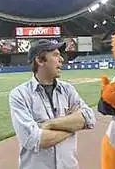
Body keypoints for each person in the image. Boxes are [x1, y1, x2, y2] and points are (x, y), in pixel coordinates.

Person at [8, 39, 96, 169]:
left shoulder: (68, 90)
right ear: (40, 60)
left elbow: (89, 118)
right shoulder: (19, 95)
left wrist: (49, 125)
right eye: (55, 55)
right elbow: (35, 139)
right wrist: (72, 126)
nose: (61, 59)